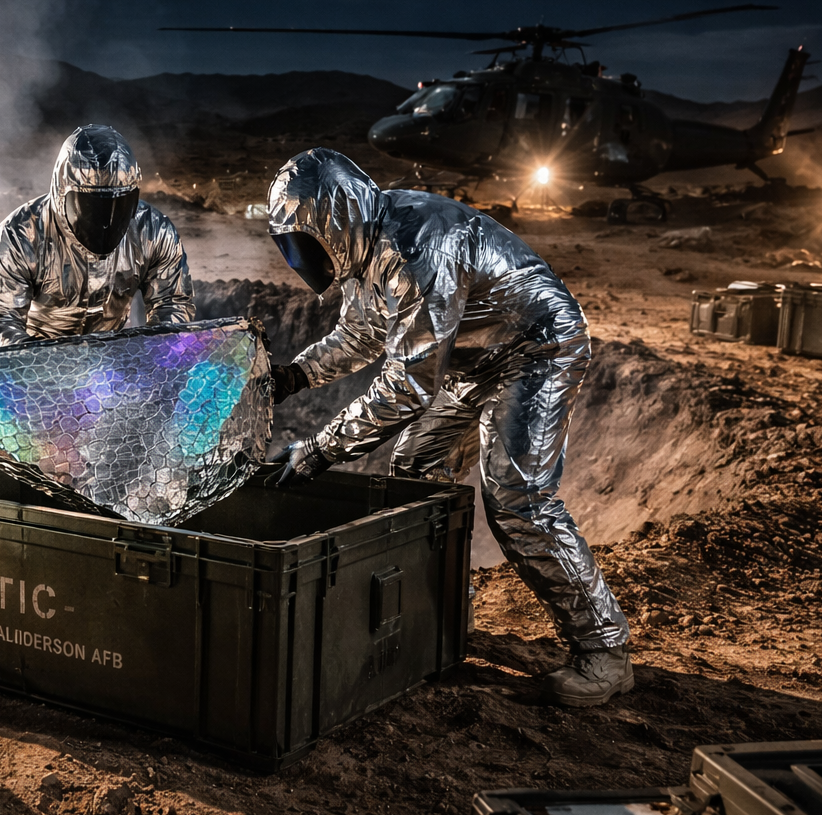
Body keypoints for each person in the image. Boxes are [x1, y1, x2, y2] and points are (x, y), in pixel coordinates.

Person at [263, 148, 632, 707]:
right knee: (414, 468)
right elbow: (363, 333)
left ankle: (604, 651)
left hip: (537, 349)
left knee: (517, 497)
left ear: (334, 223)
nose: (299, 256)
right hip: (476, 359)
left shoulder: (416, 250)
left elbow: (408, 386)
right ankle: (451, 608)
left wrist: (319, 449)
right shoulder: (366, 250)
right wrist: (296, 375)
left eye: (302, 241)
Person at [0, 124, 194, 348]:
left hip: (114, 354)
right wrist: (36, 363)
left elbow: (172, 303)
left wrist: (152, 352)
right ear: (62, 194)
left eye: (119, 204)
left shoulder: (154, 230)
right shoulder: (20, 234)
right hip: (38, 356)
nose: (107, 221)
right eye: (92, 207)